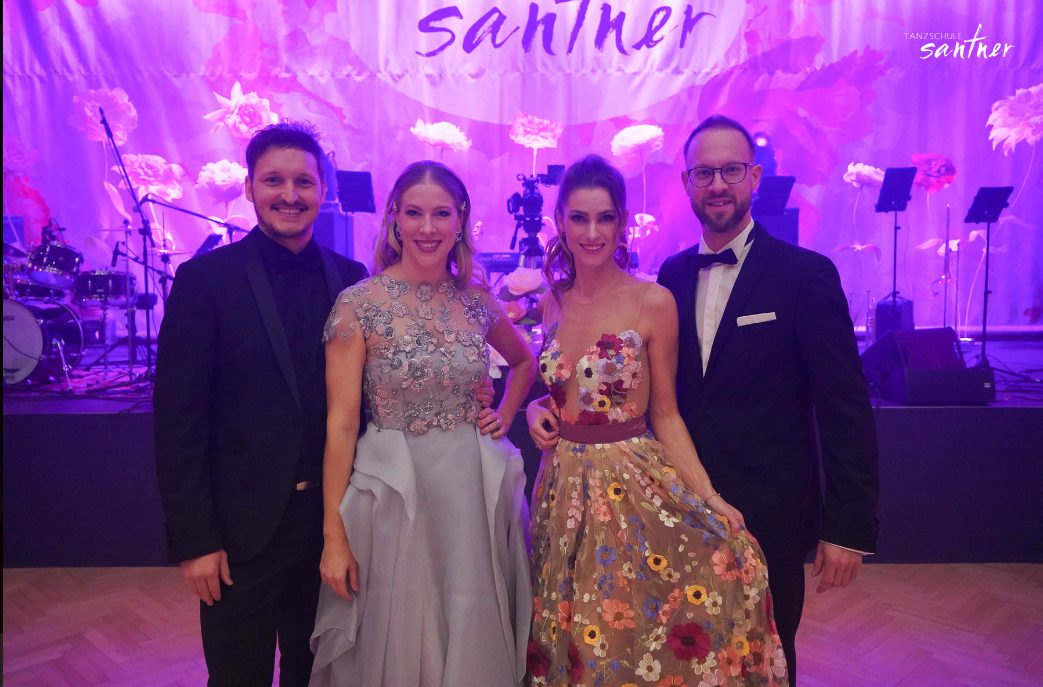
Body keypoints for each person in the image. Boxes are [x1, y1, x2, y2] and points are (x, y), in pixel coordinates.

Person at [525, 155, 788, 686]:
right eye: (580, 218)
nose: (592, 233)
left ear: (622, 222)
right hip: (560, 490)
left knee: (625, 626)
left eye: (605, 218)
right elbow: (562, 391)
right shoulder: (553, 303)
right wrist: (538, 409)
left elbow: (666, 412)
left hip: (629, 489)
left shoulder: (652, 301)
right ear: (560, 222)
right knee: (571, 630)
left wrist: (710, 497)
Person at [655, 114, 880, 683]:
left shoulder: (805, 275)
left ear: (754, 178)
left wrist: (848, 527)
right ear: (686, 183)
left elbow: (845, 409)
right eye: (704, 173)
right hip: (683, 508)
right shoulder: (671, 276)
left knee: (768, 662)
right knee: (685, 657)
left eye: (731, 170)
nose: (718, 185)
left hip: (770, 517)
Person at [154, 121, 370, 685]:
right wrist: (196, 541)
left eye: (304, 181)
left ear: (323, 190)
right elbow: (179, 422)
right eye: (274, 180)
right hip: (239, 533)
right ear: (249, 187)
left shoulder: (353, 281)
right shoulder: (204, 280)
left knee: (318, 674)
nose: (289, 195)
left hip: (332, 527)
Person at [309, 160, 536, 686]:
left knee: (469, 616)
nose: (427, 228)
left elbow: (524, 361)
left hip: (470, 490)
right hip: (394, 490)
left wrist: (503, 414)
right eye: (414, 213)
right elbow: (340, 425)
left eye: (441, 214)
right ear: (395, 217)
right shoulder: (358, 305)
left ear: (461, 220)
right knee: (398, 628)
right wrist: (333, 537)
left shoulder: (475, 300)